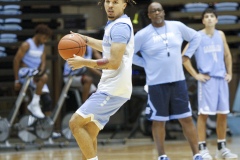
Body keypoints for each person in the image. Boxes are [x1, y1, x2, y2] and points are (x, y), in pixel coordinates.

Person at [133, 2, 203, 160]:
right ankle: (162, 155)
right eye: (153, 11)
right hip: (156, 84)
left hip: (178, 81)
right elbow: (129, 54)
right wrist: (146, 63)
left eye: (159, 10)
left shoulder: (177, 26)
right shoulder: (142, 35)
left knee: (186, 118)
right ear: (149, 15)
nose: (157, 13)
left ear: (163, 12)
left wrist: (187, 56)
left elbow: (196, 37)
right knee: (159, 121)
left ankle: (197, 154)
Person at [67, 0, 135, 159]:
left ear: (124, 5)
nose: (110, 5)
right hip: (113, 87)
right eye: (107, 1)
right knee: (88, 135)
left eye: (115, 2)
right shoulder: (115, 24)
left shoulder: (120, 27)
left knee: (75, 123)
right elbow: (106, 46)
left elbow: (113, 63)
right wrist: (85, 39)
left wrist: (84, 62)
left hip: (114, 88)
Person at [183, 8, 238, 160]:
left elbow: (227, 55)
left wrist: (230, 73)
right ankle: (202, 148)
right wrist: (195, 75)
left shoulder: (221, 34)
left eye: (211, 16)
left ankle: (222, 148)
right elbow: (184, 57)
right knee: (204, 114)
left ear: (216, 20)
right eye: (206, 16)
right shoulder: (197, 37)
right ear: (202, 21)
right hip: (207, 81)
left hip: (221, 79)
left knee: (223, 113)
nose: (209, 18)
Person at [13, 24, 52, 119]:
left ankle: (47, 128)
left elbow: (43, 63)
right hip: (25, 73)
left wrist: (40, 72)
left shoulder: (42, 47)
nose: (45, 40)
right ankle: (34, 104)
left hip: (35, 74)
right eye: (44, 37)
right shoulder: (27, 45)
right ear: (38, 34)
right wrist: (17, 80)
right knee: (44, 77)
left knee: (47, 101)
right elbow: (16, 61)